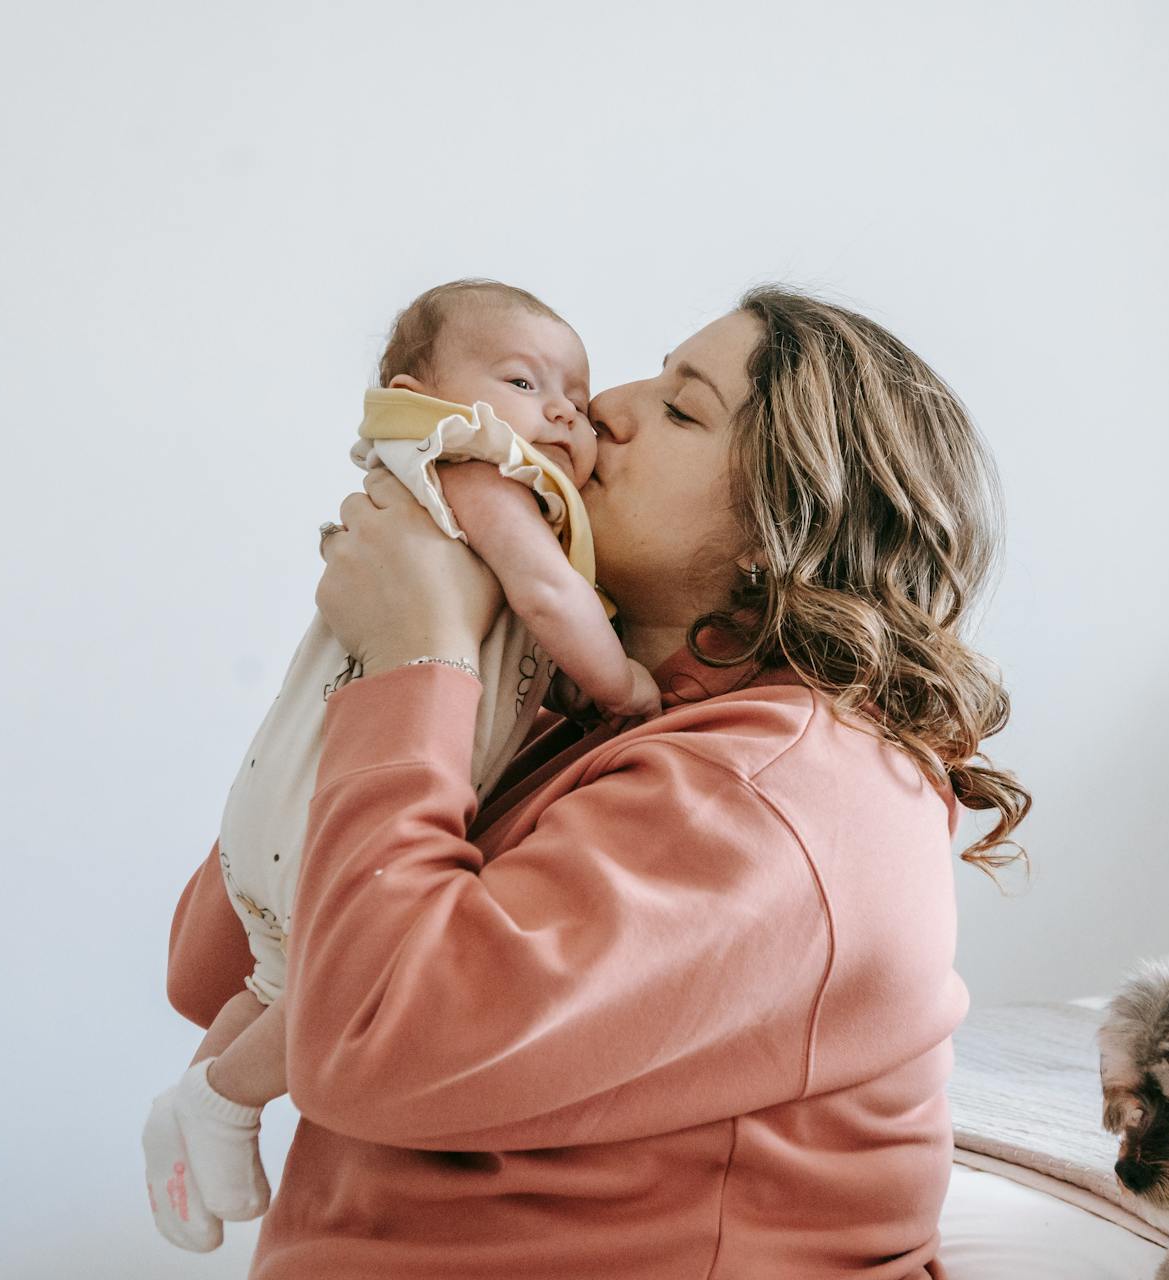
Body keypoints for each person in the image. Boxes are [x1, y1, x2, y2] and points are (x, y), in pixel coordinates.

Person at [158, 285, 1030, 1278]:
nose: (608, 404)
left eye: (681, 405)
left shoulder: (778, 786)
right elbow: (211, 966)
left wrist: (416, 652)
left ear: (779, 523)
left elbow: (364, 1045)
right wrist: (359, 673)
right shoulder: (585, 713)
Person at [143, 280, 662, 1253]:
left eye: (577, 399)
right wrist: (623, 682)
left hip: (284, 798)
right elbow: (549, 598)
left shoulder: (427, 496)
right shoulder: (473, 469)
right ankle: (224, 1098)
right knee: (333, 985)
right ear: (420, 391)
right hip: (328, 807)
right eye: (523, 379)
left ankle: (189, 1105)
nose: (561, 410)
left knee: (276, 975)